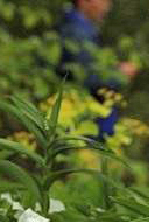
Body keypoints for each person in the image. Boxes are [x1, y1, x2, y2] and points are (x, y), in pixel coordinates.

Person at [57, 0, 136, 140]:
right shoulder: (78, 30)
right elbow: (86, 78)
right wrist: (119, 75)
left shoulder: (79, 27)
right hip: (85, 127)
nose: (108, 5)